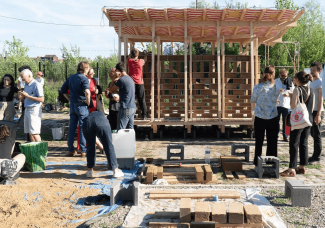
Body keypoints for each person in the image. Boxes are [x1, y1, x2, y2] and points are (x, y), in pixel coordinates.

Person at [280, 72, 314, 177]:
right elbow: (311, 107)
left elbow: (293, 105)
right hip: (308, 120)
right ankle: (302, 166)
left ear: (297, 80)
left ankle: (291, 169)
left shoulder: (297, 89)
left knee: (294, 144)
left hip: (298, 120)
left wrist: (291, 96)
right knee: (304, 143)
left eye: (295, 79)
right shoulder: (310, 89)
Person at [251, 66, 282, 171]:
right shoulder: (276, 87)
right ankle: (272, 161)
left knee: (259, 141)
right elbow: (278, 99)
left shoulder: (257, 87)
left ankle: (257, 163)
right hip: (273, 116)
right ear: (273, 75)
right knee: (272, 140)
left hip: (260, 116)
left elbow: (253, 100)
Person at [61, 61, 90, 157]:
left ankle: (70, 149)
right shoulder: (84, 79)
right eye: (88, 68)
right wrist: (88, 101)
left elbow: (63, 90)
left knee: (72, 128)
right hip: (82, 105)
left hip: (73, 105)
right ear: (85, 68)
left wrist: (69, 99)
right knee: (82, 128)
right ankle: (83, 150)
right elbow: (87, 91)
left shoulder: (71, 77)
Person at [82, 111, 124, 178]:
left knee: (90, 146)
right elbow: (107, 144)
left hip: (86, 123)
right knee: (109, 144)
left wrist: (103, 148)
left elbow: (95, 141)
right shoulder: (103, 119)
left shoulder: (89, 117)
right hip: (100, 122)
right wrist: (106, 149)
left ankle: (89, 171)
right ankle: (115, 170)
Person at [109, 62, 136, 130]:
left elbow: (110, 89)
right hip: (132, 107)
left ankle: (120, 141)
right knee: (130, 130)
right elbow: (126, 92)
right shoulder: (130, 79)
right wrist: (117, 92)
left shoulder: (122, 80)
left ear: (117, 70)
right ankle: (131, 141)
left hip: (125, 108)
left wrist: (114, 77)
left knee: (121, 130)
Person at [19, 69, 44, 142]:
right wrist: (22, 97)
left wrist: (28, 96)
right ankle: (33, 150)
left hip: (34, 109)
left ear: (29, 76)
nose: (23, 80)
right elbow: (25, 98)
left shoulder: (37, 84)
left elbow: (42, 99)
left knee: (35, 132)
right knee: (30, 132)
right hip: (27, 108)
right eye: (22, 78)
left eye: (23, 78)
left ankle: (41, 151)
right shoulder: (26, 85)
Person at [308, 62, 324, 164]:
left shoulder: (320, 83)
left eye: (314, 71)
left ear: (319, 71)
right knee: (312, 133)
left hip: (318, 111)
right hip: (311, 111)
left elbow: (320, 99)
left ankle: (317, 156)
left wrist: (318, 114)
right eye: (311, 70)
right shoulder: (311, 82)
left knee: (317, 134)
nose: (312, 72)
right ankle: (316, 153)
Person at [127, 48, 147, 119]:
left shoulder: (129, 61)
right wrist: (145, 54)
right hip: (140, 83)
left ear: (132, 54)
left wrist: (131, 54)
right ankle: (144, 115)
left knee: (131, 99)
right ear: (138, 55)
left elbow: (129, 57)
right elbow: (145, 59)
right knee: (141, 99)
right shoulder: (141, 61)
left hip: (131, 83)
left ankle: (131, 115)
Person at [275, 68, 294, 142]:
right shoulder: (276, 81)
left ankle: (286, 136)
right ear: (279, 75)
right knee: (276, 121)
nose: (283, 77)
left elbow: (293, 92)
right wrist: (278, 91)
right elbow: (271, 91)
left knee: (286, 122)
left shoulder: (290, 82)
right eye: (282, 76)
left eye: (285, 76)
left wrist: (288, 94)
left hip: (286, 104)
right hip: (277, 105)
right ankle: (275, 135)